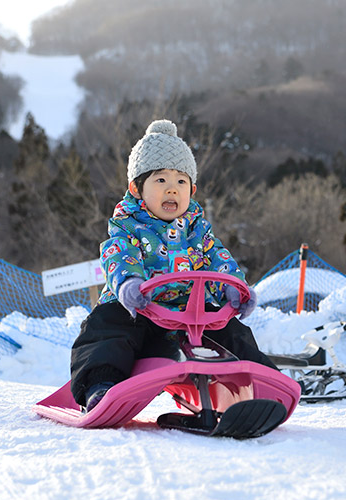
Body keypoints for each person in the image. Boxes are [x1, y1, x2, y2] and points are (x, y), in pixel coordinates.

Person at [70, 119, 276, 412]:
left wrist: (234, 288)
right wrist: (129, 285)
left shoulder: (198, 230)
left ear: (192, 190)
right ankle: (102, 385)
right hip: (139, 311)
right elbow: (117, 255)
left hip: (192, 316)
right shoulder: (128, 226)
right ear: (137, 188)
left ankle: (260, 385)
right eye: (161, 180)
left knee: (232, 331)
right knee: (105, 325)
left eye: (181, 182)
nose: (172, 190)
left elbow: (218, 259)